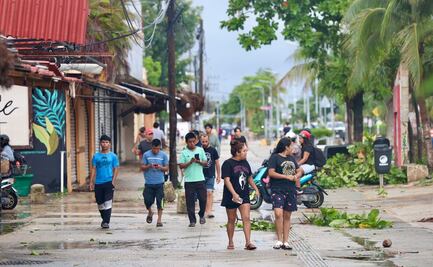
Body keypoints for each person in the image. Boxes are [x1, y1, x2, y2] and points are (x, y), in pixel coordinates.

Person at [221, 140, 260, 250]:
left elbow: (249, 178)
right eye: (244, 151)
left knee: (246, 218)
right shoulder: (227, 164)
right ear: (237, 152)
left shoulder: (245, 163)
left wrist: (256, 189)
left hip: (244, 195)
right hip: (231, 196)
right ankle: (230, 241)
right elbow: (227, 180)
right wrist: (234, 194)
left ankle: (248, 242)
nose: (246, 153)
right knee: (231, 220)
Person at [268, 137, 303, 250]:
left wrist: (296, 176)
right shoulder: (274, 158)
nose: (293, 147)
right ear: (286, 147)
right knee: (278, 214)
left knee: (287, 216)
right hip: (277, 189)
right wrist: (285, 176)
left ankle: (286, 241)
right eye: (291, 145)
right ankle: (279, 240)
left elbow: (299, 170)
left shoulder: (291, 158)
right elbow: (271, 173)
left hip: (290, 190)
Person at [89, 135, 119, 229]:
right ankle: (104, 219)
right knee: (100, 203)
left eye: (106, 142)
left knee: (108, 202)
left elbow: (116, 168)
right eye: (103, 142)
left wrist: (113, 181)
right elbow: (93, 169)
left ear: (109, 144)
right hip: (98, 182)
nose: (105, 144)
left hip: (109, 181)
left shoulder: (113, 156)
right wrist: (91, 182)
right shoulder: (96, 156)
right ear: (100, 143)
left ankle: (106, 222)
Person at [178, 132, 208, 227]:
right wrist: (190, 162)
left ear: (196, 141)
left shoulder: (200, 150)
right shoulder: (183, 152)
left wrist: (199, 161)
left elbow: (206, 163)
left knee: (203, 199)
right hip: (189, 181)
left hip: (200, 179)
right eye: (190, 142)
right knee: (190, 202)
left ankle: (201, 214)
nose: (192, 143)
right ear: (186, 142)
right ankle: (192, 220)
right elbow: (181, 166)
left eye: (193, 141)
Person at [141, 139, 169, 227]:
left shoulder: (163, 155)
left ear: (160, 147)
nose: (156, 150)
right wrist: (149, 166)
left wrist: (160, 167)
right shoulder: (146, 155)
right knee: (147, 200)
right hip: (149, 182)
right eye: (154, 149)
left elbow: (166, 168)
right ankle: (150, 212)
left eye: (157, 149)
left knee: (160, 201)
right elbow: (142, 167)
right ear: (151, 147)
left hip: (160, 182)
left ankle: (159, 220)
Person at [201, 135, 221, 218]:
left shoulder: (213, 150)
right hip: (200, 176)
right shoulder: (199, 150)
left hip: (210, 175)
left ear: (208, 141)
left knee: (209, 193)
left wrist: (218, 175)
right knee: (202, 194)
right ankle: (204, 210)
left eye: (206, 141)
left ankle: (209, 211)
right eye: (203, 141)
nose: (204, 143)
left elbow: (217, 163)